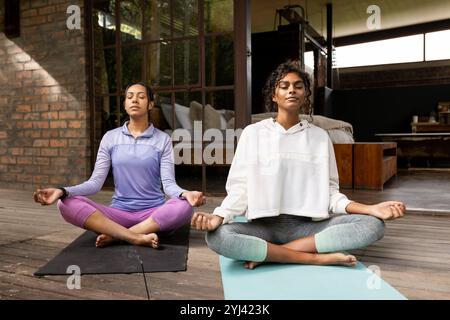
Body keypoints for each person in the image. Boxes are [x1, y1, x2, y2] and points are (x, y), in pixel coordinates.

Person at [191, 60, 405, 269]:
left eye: (298, 86)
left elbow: (331, 194)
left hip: (307, 228)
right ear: (274, 96)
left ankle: (273, 254)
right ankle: (310, 258)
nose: (291, 90)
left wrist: (371, 209)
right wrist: (217, 216)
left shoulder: (320, 137)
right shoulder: (252, 134)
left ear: (305, 95)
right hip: (263, 228)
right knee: (217, 236)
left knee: (373, 225)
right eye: (284, 86)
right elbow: (239, 188)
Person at [34, 82, 205, 248]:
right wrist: (62, 191)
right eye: (130, 97)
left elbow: (168, 185)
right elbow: (94, 183)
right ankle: (135, 237)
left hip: (153, 215)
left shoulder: (163, 140)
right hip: (118, 214)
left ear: (150, 104)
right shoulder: (110, 137)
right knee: (65, 203)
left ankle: (118, 235)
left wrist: (185, 193)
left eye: (141, 97)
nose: (135, 100)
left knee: (184, 206)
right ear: (125, 104)